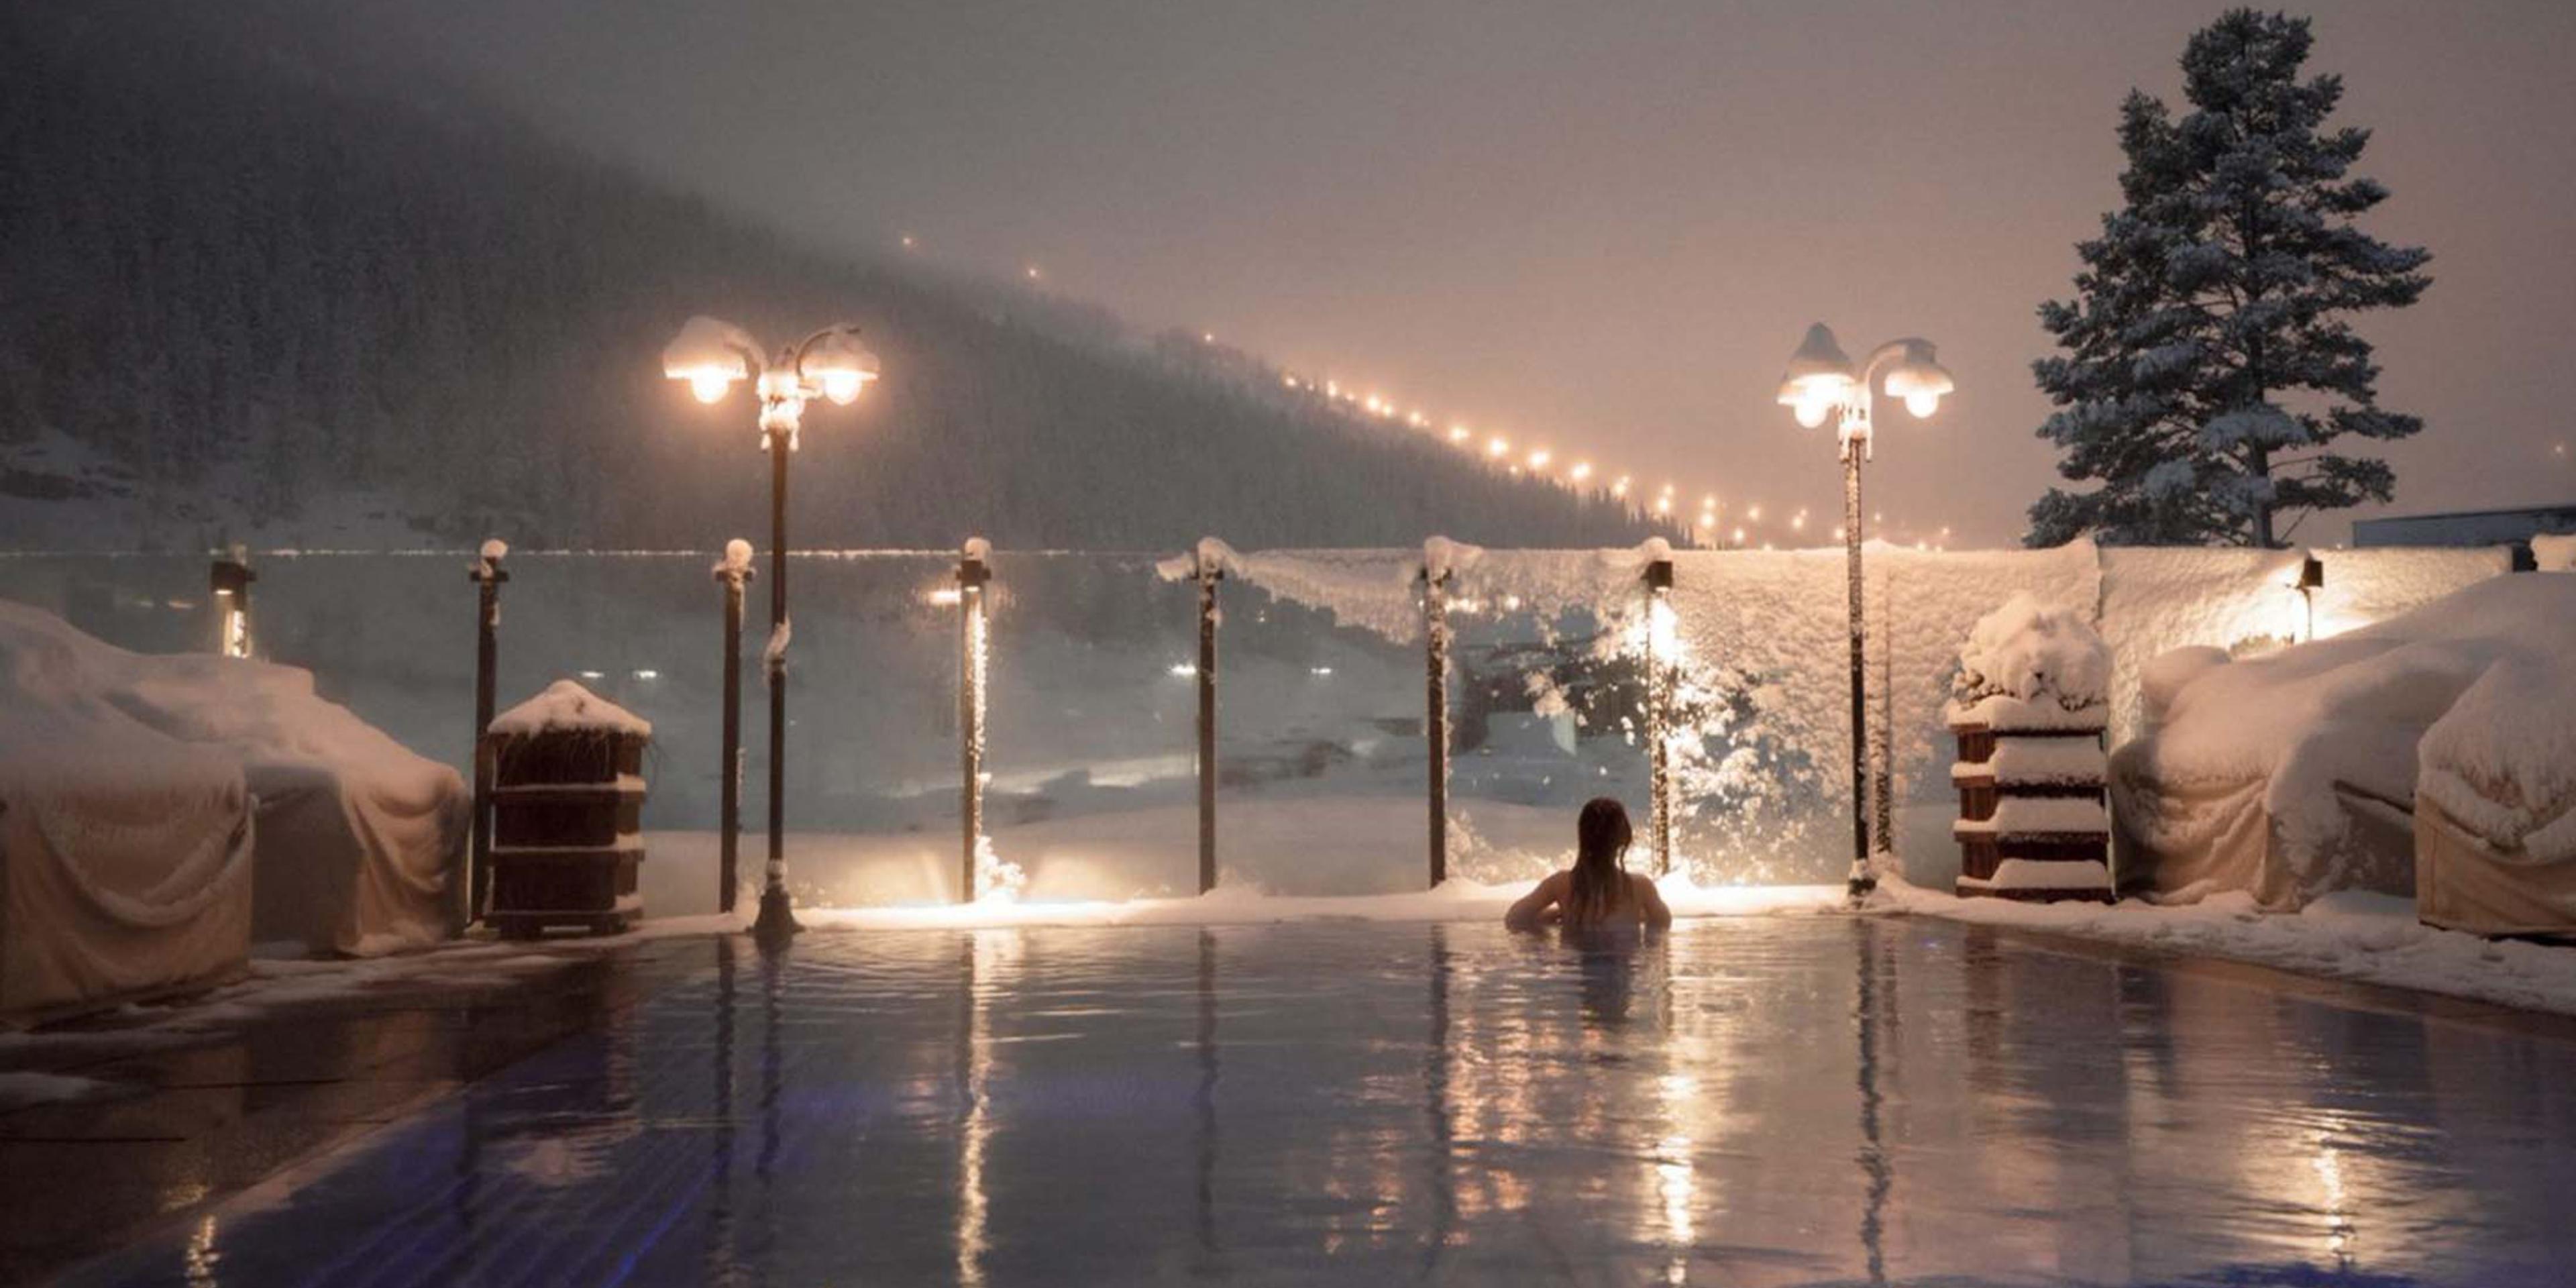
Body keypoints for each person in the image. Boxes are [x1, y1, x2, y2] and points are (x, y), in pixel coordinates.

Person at [1504, 797, 1672, 931]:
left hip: (1576, 970)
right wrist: (1638, 915)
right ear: (1624, 838)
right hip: (1622, 970)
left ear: (1582, 836)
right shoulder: (1640, 887)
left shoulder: (1561, 884)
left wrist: (1553, 915)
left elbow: (1514, 918)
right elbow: (1663, 923)